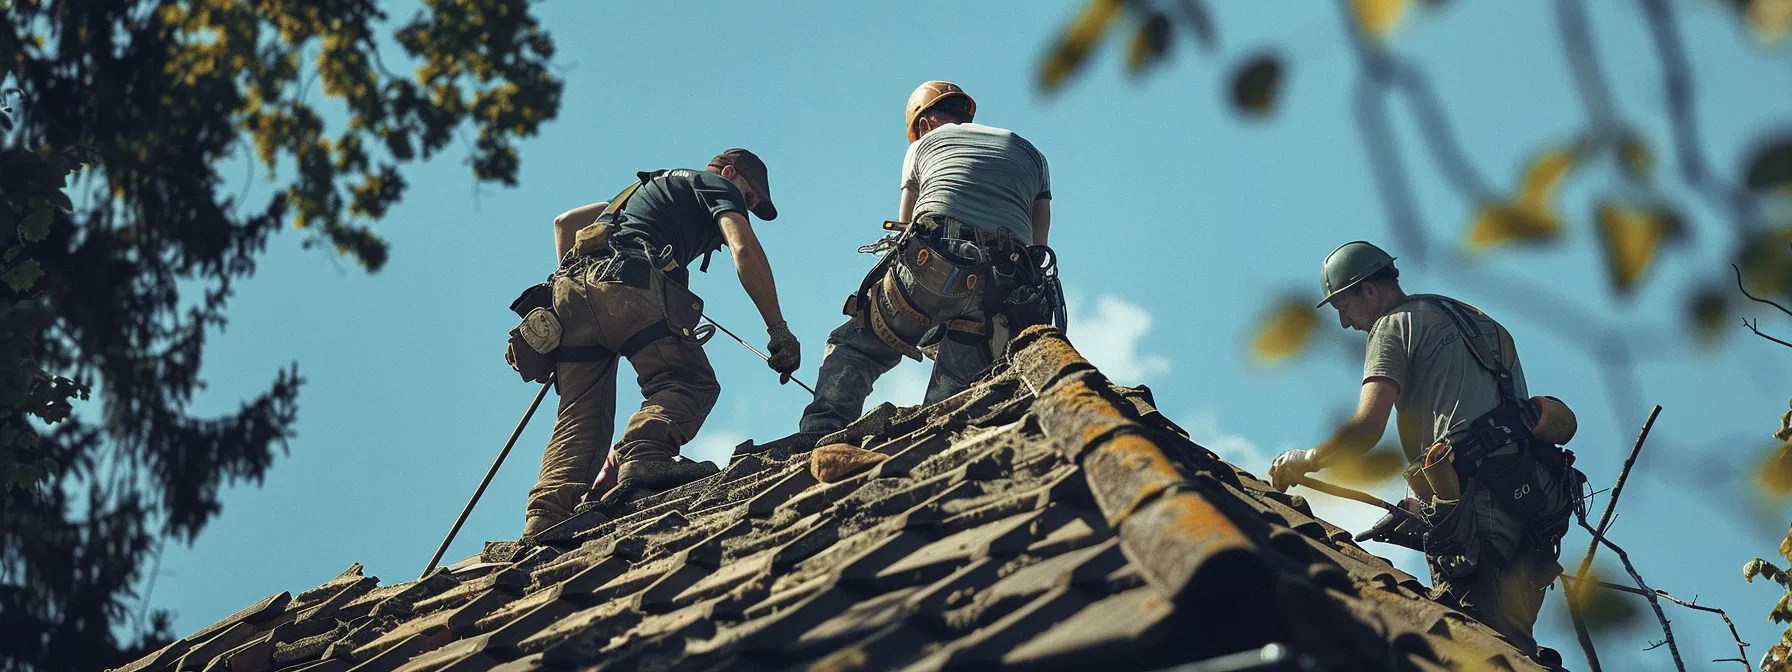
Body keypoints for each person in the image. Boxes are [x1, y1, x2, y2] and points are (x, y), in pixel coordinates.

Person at [1267, 241, 1580, 660]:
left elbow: (1366, 427)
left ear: (1368, 291)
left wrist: (1306, 460)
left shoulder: (1393, 325)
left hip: (1478, 503)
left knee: (1473, 644)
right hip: (1533, 500)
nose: (1344, 323)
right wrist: (1418, 505)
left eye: (1342, 306)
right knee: (1512, 644)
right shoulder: (1474, 319)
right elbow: (1469, 412)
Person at [514, 149, 799, 536]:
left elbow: (564, 224)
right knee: (688, 383)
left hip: (570, 294)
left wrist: (585, 296)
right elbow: (743, 247)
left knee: (581, 414)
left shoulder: (634, 193)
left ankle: (548, 515)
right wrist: (777, 330)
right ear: (730, 173)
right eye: (750, 197)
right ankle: (644, 455)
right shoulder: (715, 185)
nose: (748, 206)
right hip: (630, 280)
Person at [798, 81, 1058, 437]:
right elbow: (1038, 242)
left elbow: (904, 230)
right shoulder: (1030, 153)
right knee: (958, 386)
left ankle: (818, 432)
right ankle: (935, 438)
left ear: (923, 124)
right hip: (1005, 283)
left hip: (934, 262)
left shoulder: (925, 144)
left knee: (857, 346)